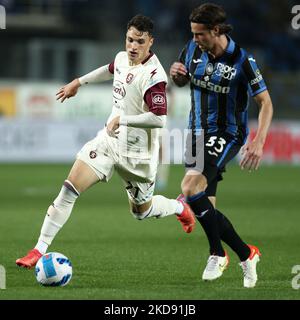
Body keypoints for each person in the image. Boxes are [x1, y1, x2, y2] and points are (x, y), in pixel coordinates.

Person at [16, 14, 195, 269]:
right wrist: (79, 82)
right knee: (69, 189)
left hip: (138, 156)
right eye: (130, 40)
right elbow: (110, 69)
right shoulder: (124, 58)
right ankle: (38, 250)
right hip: (108, 143)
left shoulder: (154, 77)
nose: (133, 46)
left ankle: (179, 208)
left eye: (139, 42)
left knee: (141, 212)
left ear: (150, 42)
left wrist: (124, 120)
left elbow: (159, 119)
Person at [170, 3, 273, 288]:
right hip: (195, 132)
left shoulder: (242, 60)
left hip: (227, 133)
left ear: (216, 31)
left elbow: (265, 102)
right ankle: (245, 253)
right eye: (192, 33)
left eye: (200, 34)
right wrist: (177, 76)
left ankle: (218, 253)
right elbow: (181, 80)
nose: (194, 39)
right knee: (203, 205)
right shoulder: (191, 50)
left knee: (189, 188)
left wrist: (258, 142)